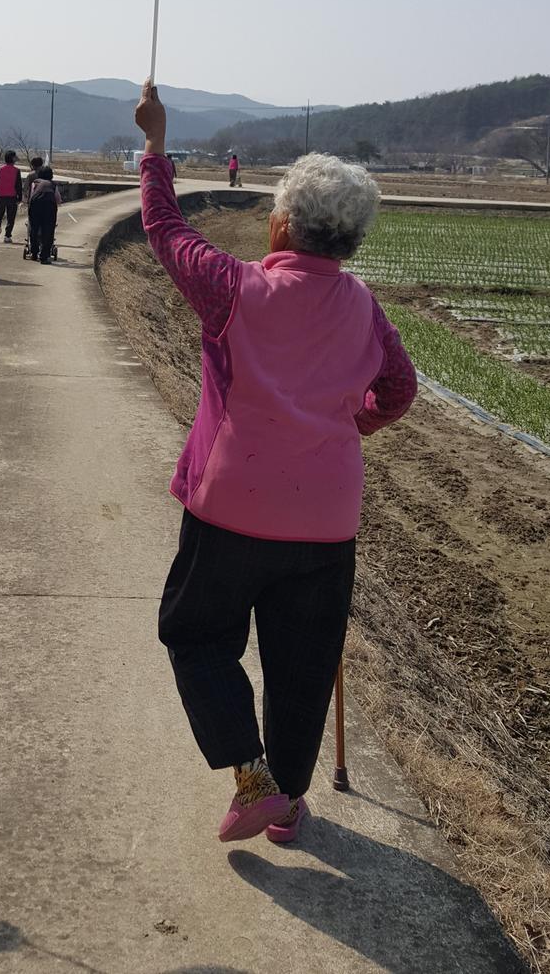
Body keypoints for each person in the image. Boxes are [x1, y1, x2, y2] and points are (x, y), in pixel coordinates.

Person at [134, 80, 417, 846]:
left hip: (230, 509)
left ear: (284, 223)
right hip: (326, 523)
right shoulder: (364, 307)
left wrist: (156, 145)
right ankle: (286, 805)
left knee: (195, 634)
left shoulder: (235, 288)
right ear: (350, 241)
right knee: (303, 666)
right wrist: (351, 424)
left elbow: (164, 230)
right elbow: (398, 389)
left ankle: (253, 778)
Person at [27, 165, 61, 264]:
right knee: (48, 230)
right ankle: (44, 256)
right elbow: (58, 199)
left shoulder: (35, 183)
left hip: (35, 205)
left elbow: (31, 196)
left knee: (34, 228)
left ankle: (34, 253)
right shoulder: (53, 185)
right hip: (49, 207)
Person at [0, 150, 23, 243]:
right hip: (12, 197)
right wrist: (20, 197)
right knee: (11, 217)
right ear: (13, 158)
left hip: (0, 196)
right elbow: (18, 185)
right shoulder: (16, 171)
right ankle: (7, 235)